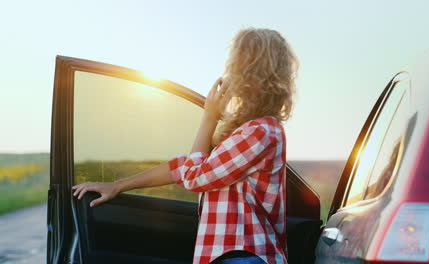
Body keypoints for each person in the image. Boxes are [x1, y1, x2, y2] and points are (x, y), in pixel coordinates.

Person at [71, 27, 298, 264]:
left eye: (236, 65)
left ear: (251, 73)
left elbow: (195, 177)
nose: (230, 74)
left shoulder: (261, 132)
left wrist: (209, 119)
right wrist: (118, 186)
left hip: (244, 255)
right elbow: (183, 167)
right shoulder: (245, 132)